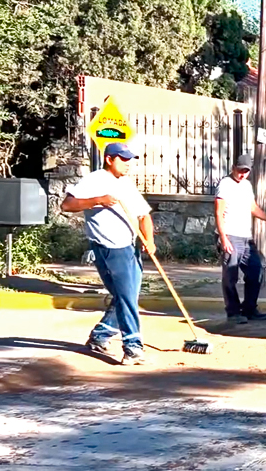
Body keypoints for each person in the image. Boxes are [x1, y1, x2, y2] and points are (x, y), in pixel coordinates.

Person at [62, 142, 155, 366]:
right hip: (109, 248)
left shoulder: (125, 184)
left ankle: (100, 335)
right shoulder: (95, 180)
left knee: (127, 296)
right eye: (123, 160)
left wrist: (149, 240)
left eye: (130, 160)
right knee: (126, 297)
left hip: (130, 246)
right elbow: (67, 205)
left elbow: (144, 215)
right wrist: (98, 200)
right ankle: (132, 347)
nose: (128, 164)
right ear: (109, 159)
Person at [215, 153, 266, 324]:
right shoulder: (225, 184)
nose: (242, 174)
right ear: (234, 168)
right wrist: (223, 238)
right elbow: (218, 212)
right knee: (230, 275)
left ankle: (249, 308)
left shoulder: (246, 185)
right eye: (240, 171)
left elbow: (253, 208)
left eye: (246, 171)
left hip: (246, 237)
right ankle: (232, 312)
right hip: (230, 235)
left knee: (257, 269)